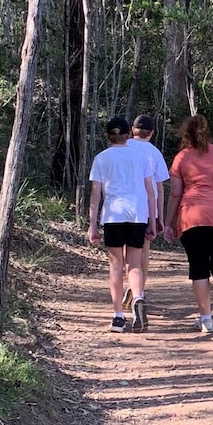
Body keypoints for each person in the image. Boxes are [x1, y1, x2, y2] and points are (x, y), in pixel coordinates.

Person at [163, 113, 213, 333]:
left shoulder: (182, 157)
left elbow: (176, 194)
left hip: (194, 216)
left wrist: (168, 223)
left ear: (186, 134)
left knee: (199, 267)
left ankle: (206, 319)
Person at [88, 116, 157, 333]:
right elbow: (150, 192)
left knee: (116, 265)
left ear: (108, 136)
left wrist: (92, 225)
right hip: (138, 214)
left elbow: (95, 194)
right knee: (134, 263)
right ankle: (137, 297)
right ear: (128, 135)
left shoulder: (101, 158)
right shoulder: (141, 157)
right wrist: (153, 220)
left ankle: (118, 316)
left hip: (113, 215)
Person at [122, 114, 170, 322]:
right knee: (143, 252)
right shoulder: (154, 153)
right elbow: (159, 186)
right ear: (151, 133)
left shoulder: (121, 147)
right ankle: (138, 291)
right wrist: (158, 216)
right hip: (145, 209)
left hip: (122, 207)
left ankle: (131, 286)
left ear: (133, 130)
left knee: (126, 251)